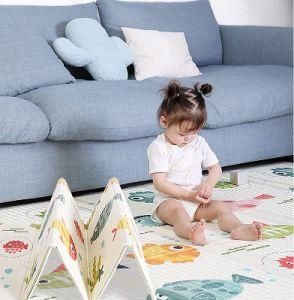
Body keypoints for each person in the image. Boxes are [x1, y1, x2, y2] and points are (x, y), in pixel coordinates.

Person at [147, 80, 262, 245]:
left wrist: (209, 184)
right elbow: (160, 183)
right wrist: (188, 195)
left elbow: (215, 168)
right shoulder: (159, 147)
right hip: (168, 202)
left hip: (196, 202)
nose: (188, 139)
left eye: (194, 132)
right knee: (178, 212)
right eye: (181, 134)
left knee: (222, 207)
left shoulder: (198, 143)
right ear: (164, 122)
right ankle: (190, 231)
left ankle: (238, 228)